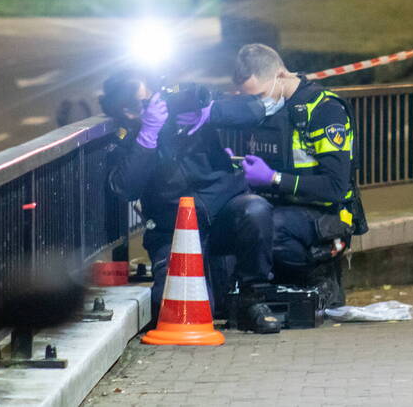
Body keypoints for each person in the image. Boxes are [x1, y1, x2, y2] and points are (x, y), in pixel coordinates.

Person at [99, 70, 280, 334]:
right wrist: (147, 136)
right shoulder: (128, 138)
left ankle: (254, 300)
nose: (158, 104)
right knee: (179, 311)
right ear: (127, 111)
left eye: (155, 96)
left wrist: (210, 112)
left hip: (223, 212)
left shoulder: (186, 102)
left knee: (255, 210)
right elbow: (126, 187)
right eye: (146, 102)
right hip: (173, 231)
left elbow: (253, 109)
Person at [230, 44, 368, 308]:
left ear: (280, 75)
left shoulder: (324, 110)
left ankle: (318, 278)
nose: (258, 104)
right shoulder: (268, 113)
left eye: (259, 95)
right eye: (251, 99)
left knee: (268, 228)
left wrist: (273, 179)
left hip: (324, 215)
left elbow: (336, 187)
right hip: (281, 207)